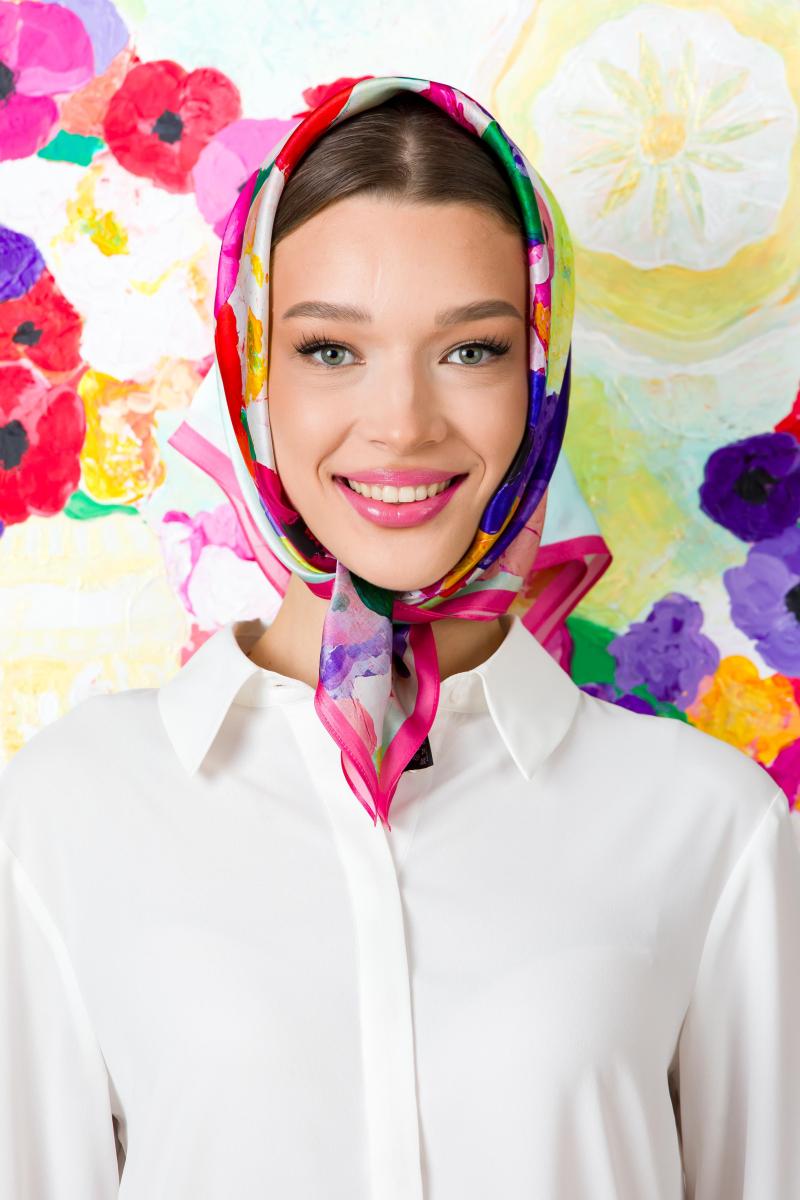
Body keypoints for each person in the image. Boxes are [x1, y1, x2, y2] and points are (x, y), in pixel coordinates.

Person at [1, 74, 799, 1200]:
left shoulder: (708, 826)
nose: (402, 424)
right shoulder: (69, 811)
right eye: (331, 349)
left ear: (540, 374)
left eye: (471, 350)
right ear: (251, 370)